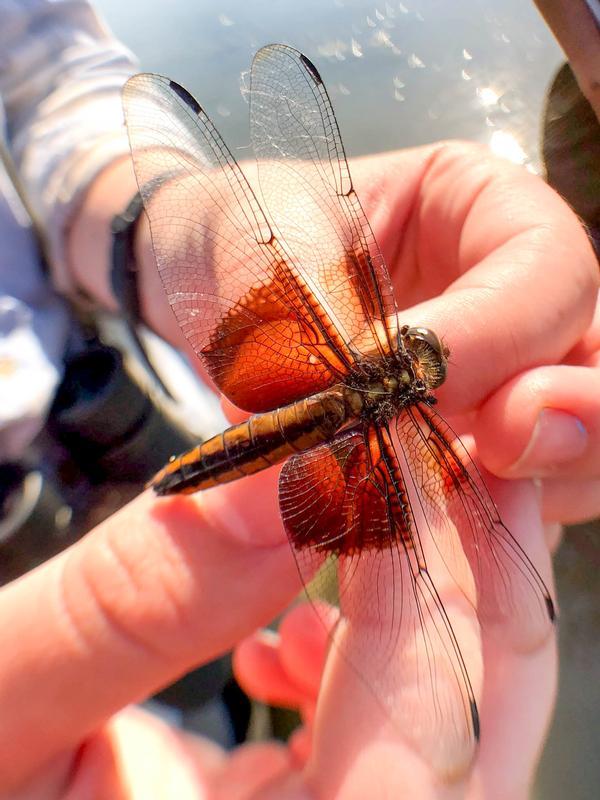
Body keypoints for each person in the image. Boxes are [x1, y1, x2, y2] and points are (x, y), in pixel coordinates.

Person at [0, 2, 599, 799]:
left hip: (123, 412)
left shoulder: (353, 346)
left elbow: (52, 83)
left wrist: (167, 227)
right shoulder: (410, 423)